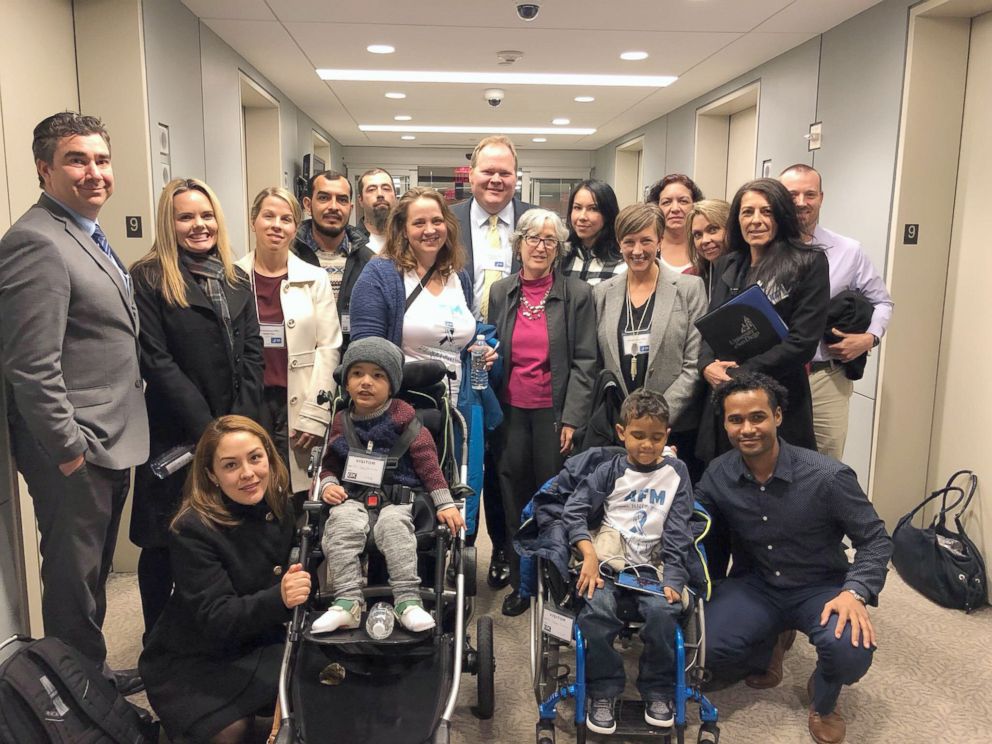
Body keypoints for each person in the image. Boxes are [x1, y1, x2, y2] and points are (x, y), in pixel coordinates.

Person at [0, 112, 149, 691]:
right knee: (71, 580)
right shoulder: (35, 242)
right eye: (77, 160)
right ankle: (72, 700)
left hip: (109, 437)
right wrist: (67, 451)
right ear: (44, 169)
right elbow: (30, 365)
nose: (94, 173)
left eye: (101, 160)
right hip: (77, 448)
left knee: (90, 578)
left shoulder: (86, 234)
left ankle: (87, 679)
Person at [698, 372, 892, 744]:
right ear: (724, 423)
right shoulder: (718, 474)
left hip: (821, 586)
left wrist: (856, 592)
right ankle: (771, 642)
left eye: (758, 417)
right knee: (705, 646)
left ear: (778, 417)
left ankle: (824, 696)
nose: (747, 429)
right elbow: (693, 520)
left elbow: (875, 539)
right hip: (757, 585)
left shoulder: (828, 476)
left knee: (850, 651)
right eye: (735, 419)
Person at [130, 178, 263, 639]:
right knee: (165, 539)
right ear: (169, 223)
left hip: (234, 430)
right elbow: (157, 360)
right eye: (185, 216)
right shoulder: (147, 277)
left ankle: (220, 632)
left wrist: (239, 429)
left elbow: (252, 355)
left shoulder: (235, 277)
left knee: (226, 534)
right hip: (176, 434)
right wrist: (210, 433)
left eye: (206, 215)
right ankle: (156, 640)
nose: (198, 225)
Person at [140, 415, 311, 744]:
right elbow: (216, 617)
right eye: (230, 465)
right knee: (231, 733)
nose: (247, 473)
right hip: (195, 656)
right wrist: (280, 598)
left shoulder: (280, 504)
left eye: (255, 458)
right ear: (212, 476)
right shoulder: (191, 529)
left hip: (259, 638)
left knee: (319, 688)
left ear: (269, 459)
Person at [310, 338, 465, 634]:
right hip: (352, 498)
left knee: (395, 529)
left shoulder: (406, 419)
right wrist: (328, 483)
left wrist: (445, 502)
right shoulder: (343, 421)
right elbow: (329, 464)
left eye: (377, 376)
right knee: (339, 527)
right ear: (346, 382)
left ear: (392, 384)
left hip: (398, 500)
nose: (365, 382)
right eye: (357, 374)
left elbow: (428, 464)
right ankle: (347, 602)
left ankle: (407, 601)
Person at [561, 389, 693, 734]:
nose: (647, 445)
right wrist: (587, 555)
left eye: (655, 437)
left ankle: (659, 689)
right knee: (596, 609)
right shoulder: (609, 470)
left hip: (654, 563)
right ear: (622, 433)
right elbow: (574, 511)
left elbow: (679, 532)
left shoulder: (677, 473)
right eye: (638, 436)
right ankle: (604, 689)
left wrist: (675, 579)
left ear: (667, 435)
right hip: (606, 558)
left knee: (665, 613)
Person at [487, 208, 598, 616]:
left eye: (550, 240)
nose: (540, 246)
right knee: (514, 497)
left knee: (554, 499)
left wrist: (573, 417)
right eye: (532, 237)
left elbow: (587, 360)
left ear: (559, 250)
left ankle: (557, 581)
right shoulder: (501, 291)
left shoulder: (578, 294)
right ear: (518, 244)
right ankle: (522, 582)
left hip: (555, 414)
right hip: (510, 412)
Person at [451, 135, 537, 587]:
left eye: (506, 172)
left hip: (520, 362)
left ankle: (504, 550)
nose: (497, 179)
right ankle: (458, 549)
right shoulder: (446, 222)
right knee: (463, 460)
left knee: (507, 466)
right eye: (488, 171)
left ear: (516, 177)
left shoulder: (536, 223)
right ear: (472, 173)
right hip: (459, 361)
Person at [697, 178, 829, 462]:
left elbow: (802, 343)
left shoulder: (808, 263)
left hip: (780, 397)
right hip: (728, 398)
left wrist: (741, 373)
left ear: (781, 215)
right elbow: (711, 326)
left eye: (766, 212)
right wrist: (706, 364)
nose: (755, 220)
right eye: (747, 212)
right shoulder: (727, 264)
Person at [779, 164, 894, 461]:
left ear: (821, 197)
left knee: (824, 467)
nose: (801, 202)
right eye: (792, 194)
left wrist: (869, 338)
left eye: (810, 194)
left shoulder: (847, 250)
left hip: (824, 377)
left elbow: (882, 302)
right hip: (773, 373)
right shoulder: (764, 247)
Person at [235, 186, 342, 494]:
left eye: (286, 219)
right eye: (268, 216)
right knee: (249, 488)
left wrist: (317, 414)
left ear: (296, 227)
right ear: (253, 220)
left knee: (295, 493)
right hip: (248, 403)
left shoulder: (314, 278)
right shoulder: (231, 276)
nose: (276, 225)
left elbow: (329, 347)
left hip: (298, 402)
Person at [350, 187, 495, 407]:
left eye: (437, 221)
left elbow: (457, 337)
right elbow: (366, 353)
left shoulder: (458, 275)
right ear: (404, 230)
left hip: (456, 407)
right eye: (419, 223)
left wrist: (478, 349)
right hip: (403, 410)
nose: (430, 230)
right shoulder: (381, 274)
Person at [593, 203, 707, 482]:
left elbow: (693, 364)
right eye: (629, 242)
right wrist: (630, 423)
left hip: (673, 427)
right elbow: (598, 361)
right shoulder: (602, 293)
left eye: (646, 240)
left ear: (659, 242)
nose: (637, 250)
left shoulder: (689, 289)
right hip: (620, 430)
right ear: (619, 244)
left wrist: (652, 419)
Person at [292, 170, 373, 350]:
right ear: (307, 204)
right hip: (302, 368)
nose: (334, 206)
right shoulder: (290, 259)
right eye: (324, 198)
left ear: (350, 208)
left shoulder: (369, 262)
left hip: (353, 369)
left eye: (342, 200)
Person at [561, 178, 625, 285]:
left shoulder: (622, 264)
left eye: (593, 209)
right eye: (577, 207)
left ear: (608, 214)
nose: (582, 217)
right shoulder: (561, 257)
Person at [646, 173, 705, 274]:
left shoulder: (706, 246)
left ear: (695, 205)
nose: (675, 209)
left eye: (683, 201)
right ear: (656, 207)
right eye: (666, 202)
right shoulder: (646, 246)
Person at [686, 199, 731, 297]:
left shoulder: (748, 273)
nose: (704, 240)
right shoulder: (691, 277)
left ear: (731, 229)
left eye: (713, 230)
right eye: (698, 234)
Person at [355, 167, 397, 253]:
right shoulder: (351, 242)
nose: (380, 194)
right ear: (360, 200)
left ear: (395, 196)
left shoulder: (408, 239)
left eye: (386, 188)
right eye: (371, 190)